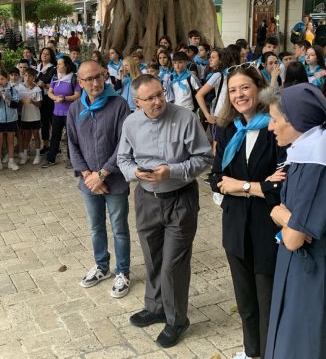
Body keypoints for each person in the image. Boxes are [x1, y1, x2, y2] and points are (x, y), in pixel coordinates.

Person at [261, 83, 326, 359]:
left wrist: (280, 215)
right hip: (304, 267)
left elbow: (294, 238)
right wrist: (289, 222)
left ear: (298, 122)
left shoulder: (318, 163)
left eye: (275, 119)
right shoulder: (305, 152)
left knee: (307, 345)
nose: (271, 127)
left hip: (315, 273)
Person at [117, 74, 213, 348]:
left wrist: (172, 171)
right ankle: (155, 307)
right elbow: (122, 158)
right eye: (151, 98)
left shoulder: (185, 118)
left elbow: (204, 158)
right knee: (152, 257)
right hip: (146, 199)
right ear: (137, 102)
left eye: (161, 94)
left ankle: (177, 319)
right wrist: (134, 172)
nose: (159, 101)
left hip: (180, 198)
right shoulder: (131, 123)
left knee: (173, 264)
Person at [209, 65, 284, 359]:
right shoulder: (229, 130)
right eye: (233, 90)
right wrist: (257, 186)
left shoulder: (275, 128)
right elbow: (215, 179)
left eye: (245, 88)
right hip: (236, 227)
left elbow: (279, 186)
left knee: (267, 299)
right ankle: (252, 351)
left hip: (267, 228)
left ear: (259, 88)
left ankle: (269, 352)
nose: (239, 95)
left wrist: (239, 186)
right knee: (245, 300)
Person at [67, 60, 132, 298]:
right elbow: (72, 144)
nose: (95, 83)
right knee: (96, 228)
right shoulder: (75, 109)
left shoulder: (119, 105)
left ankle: (122, 271)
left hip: (114, 181)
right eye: (89, 79)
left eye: (98, 77)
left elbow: (124, 144)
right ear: (80, 82)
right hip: (88, 184)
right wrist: (87, 175)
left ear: (104, 76)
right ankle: (102, 266)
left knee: (119, 228)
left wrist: (102, 174)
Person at [41, 56, 81, 168]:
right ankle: (51, 158)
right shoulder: (55, 77)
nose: (57, 66)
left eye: (59, 64)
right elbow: (49, 92)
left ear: (66, 65)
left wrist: (65, 98)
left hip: (70, 113)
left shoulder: (73, 78)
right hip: (57, 113)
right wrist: (55, 98)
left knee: (71, 136)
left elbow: (78, 95)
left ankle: (71, 159)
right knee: (54, 136)